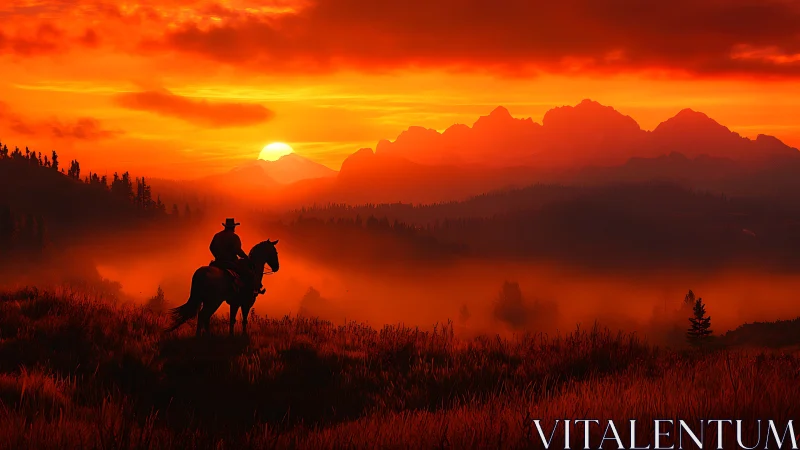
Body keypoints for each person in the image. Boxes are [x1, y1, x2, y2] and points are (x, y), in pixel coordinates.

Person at [210, 218, 250, 292]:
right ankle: (244, 292)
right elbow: (238, 250)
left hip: (218, 261)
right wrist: (246, 258)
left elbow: (211, 247)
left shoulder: (217, 235)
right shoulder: (234, 237)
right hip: (230, 262)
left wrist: (217, 256)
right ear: (233, 227)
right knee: (246, 274)